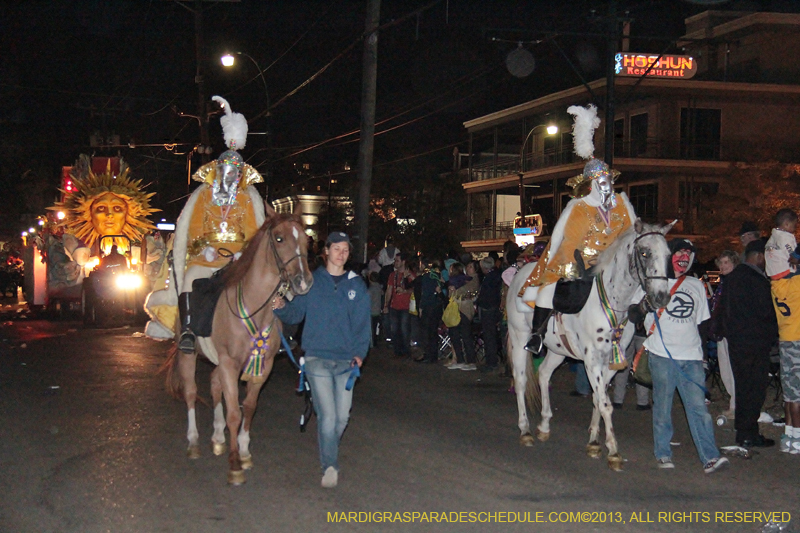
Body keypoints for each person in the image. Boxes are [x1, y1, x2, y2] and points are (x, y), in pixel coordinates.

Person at [147, 96, 266, 351]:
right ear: (218, 170)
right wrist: (204, 249)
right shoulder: (203, 196)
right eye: (226, 170)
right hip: (207, 256)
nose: (230, 175)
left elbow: (255, 232)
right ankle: (188, 331)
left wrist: (243, 253)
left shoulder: (248, 198)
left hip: (237, 259)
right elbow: (193, 229)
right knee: (191, 277)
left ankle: (268, 332)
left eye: (235, 171)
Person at [520, 105, 636, 355]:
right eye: (602, 181)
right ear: (591, 184)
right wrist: (562, 264)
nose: (608, 186)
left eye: (609, 181)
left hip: (613, 263)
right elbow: (565, 237)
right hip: (578, 261)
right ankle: (537, 335)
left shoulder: (622, 205)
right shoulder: (578, 207)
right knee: (548, 289)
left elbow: (632, 234)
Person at [272, 232, 371, 488]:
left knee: (342, 418)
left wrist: (360, 353)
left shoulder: (356, 285)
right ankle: (329, 466)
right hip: (317, 358)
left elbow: (363, 325)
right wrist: (281, 306)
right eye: (336, 248)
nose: (341, 253)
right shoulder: (312, 281)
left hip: (346, 361)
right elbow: (296, 314)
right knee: (327, 417)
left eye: (345, 250)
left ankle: (328, 450)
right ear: (326, 251)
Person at [644, 238, 729, 473]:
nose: (684, 256)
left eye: (689, 253)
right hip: (662, 355)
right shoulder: (654, 281)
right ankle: (662, 452)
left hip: (691, 357)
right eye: (680, 251)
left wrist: (701, 354)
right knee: (662, 406)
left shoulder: (695, 285)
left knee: (698, 409)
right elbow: (636, 316)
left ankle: (710, 457)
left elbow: (702, 323)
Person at [717, 239, 778, 448]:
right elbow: (766, 314)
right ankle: (748, 433)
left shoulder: (733, 278)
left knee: (743, 388)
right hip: (754, 343)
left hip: (738, 342)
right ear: (759, 256)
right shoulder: (756, 280)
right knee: (754, 389)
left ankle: (743, 431)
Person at [708, 250, 740, 419]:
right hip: (722, 332)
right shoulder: (723, 283)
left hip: (732, 333)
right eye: (721, 263)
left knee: (733, 370)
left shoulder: (736, 282)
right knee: (725, 369)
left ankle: (736, 407)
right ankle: (733, 404)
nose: (723, 266)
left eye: (726, 262)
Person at [444, 262, 479, 370]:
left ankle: (471, 361)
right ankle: (460, 359)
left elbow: (469, 290)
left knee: (465, 335)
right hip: (456, 309)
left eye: (471, 267)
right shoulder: (462, 279)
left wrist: (456, 289)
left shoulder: (473, 279)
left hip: (464, 309)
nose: (468, 268)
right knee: (454, 334)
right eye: (467, 266)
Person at [383, 252, 415, 358]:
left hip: (405, 307)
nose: (395, 263)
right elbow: (389, 290)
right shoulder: (393, 275)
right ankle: (397, 351)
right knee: (394, 329)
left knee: (404, 329)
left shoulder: (410, 274)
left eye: (397, 260)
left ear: (403, 262)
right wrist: (386, 305)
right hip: (394, 306)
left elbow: (415, 289)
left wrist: (405, 290)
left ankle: (406, 351)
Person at [476, 256, 503, 372]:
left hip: (488, 309)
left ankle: (491, 362)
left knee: (489, 336)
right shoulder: (497, 275)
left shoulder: (489, 278)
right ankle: (493, 360)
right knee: (491, 335)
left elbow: (487, 295)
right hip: (493, 308)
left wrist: (478, 302)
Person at [415, 259, 445, 364]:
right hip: (437, 306)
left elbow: (425, 293)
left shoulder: (427, 276)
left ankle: (428, 355)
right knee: (433, 332)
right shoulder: (438, 276)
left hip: (429, 306)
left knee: (427, 332)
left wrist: (421, 307)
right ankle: (433, 355)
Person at [765, 208, 799, 280]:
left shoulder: (773, 237)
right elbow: (792, 255)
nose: (795, 229)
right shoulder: (785, 238)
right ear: (786, 224)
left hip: (774, 273)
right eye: (794, 225)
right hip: (786, 272)